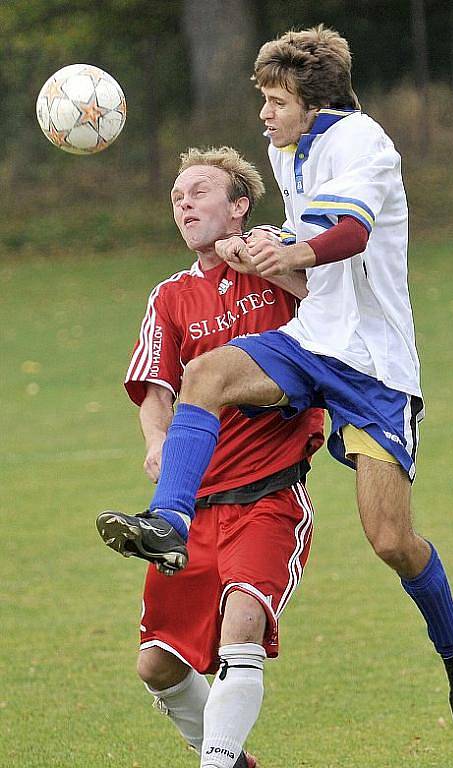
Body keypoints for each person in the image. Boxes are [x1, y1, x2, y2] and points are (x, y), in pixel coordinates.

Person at [98, 25, 453, 734]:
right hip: (312, 340)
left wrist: (292, 251)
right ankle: (171, 518)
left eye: (276, 101)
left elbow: (350, 234)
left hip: (373, 365)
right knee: (207, 373)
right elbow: (306, 238)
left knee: (390, 540)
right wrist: (270, 243)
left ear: (316, 100)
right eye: (265, 99)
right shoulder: (289, 150)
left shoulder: (363, 142)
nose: (264, 115)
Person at [96, 146, 324, 768]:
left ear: (239, 205)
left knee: (242, 624)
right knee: (157, 664)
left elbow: (330, 307)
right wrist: (156, 442)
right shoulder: (169, 297)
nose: (185, 202)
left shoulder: (282, 253)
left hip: (269, 495)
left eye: (199, 190)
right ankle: (232, 760)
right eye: (177, 196)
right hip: (193, 506)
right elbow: (153, 385)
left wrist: (254, 257)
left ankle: (215, 764)